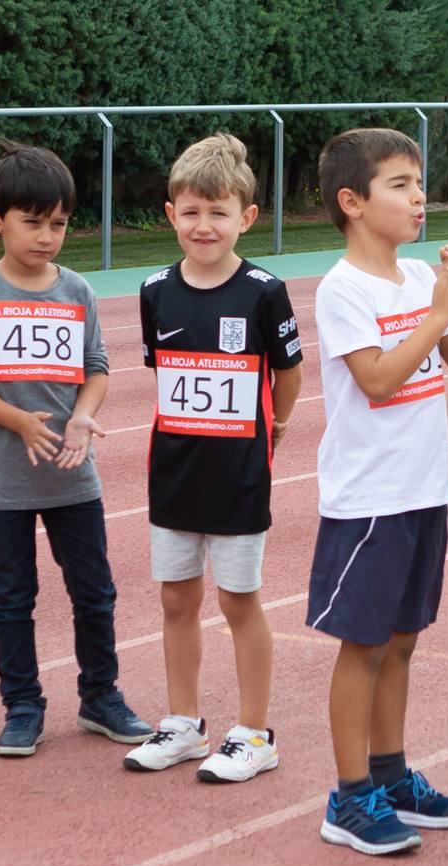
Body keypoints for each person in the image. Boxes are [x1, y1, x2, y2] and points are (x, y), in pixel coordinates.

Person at [306, 128, 448, 855]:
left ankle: (392, 775)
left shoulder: (419, 278)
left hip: (423, 488)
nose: (419, 197)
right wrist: (439, 313)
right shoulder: (341, 289)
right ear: (352, 202)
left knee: (404, 642)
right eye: (400, 184)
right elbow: (378, 377)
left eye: (419, 182)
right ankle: (349, 798)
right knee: (364, 645)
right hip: (369, 501)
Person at [0, 143, 154, 758]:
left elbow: (96, 368)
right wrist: (19, 421)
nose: (45, 236)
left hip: (71, 474)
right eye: (31, 222)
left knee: (95, 590)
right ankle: (24, 705)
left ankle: (101, 695)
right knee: (14, 595)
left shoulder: (78, 291)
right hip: (2, 477)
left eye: (58, 223)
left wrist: (83, 418)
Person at [124, 132, 304, 784]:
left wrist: (275, 431)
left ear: (246, 218)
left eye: (219, 212)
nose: (205, 226)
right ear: (171, 215)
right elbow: (162, 371)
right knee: (176, 599)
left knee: (237, 601)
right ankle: (182, 723)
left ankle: (254, 733)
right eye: (191, 212)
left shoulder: (263, 291)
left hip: (238, 477)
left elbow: (289, 374)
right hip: (173, 470)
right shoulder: (153, 291)